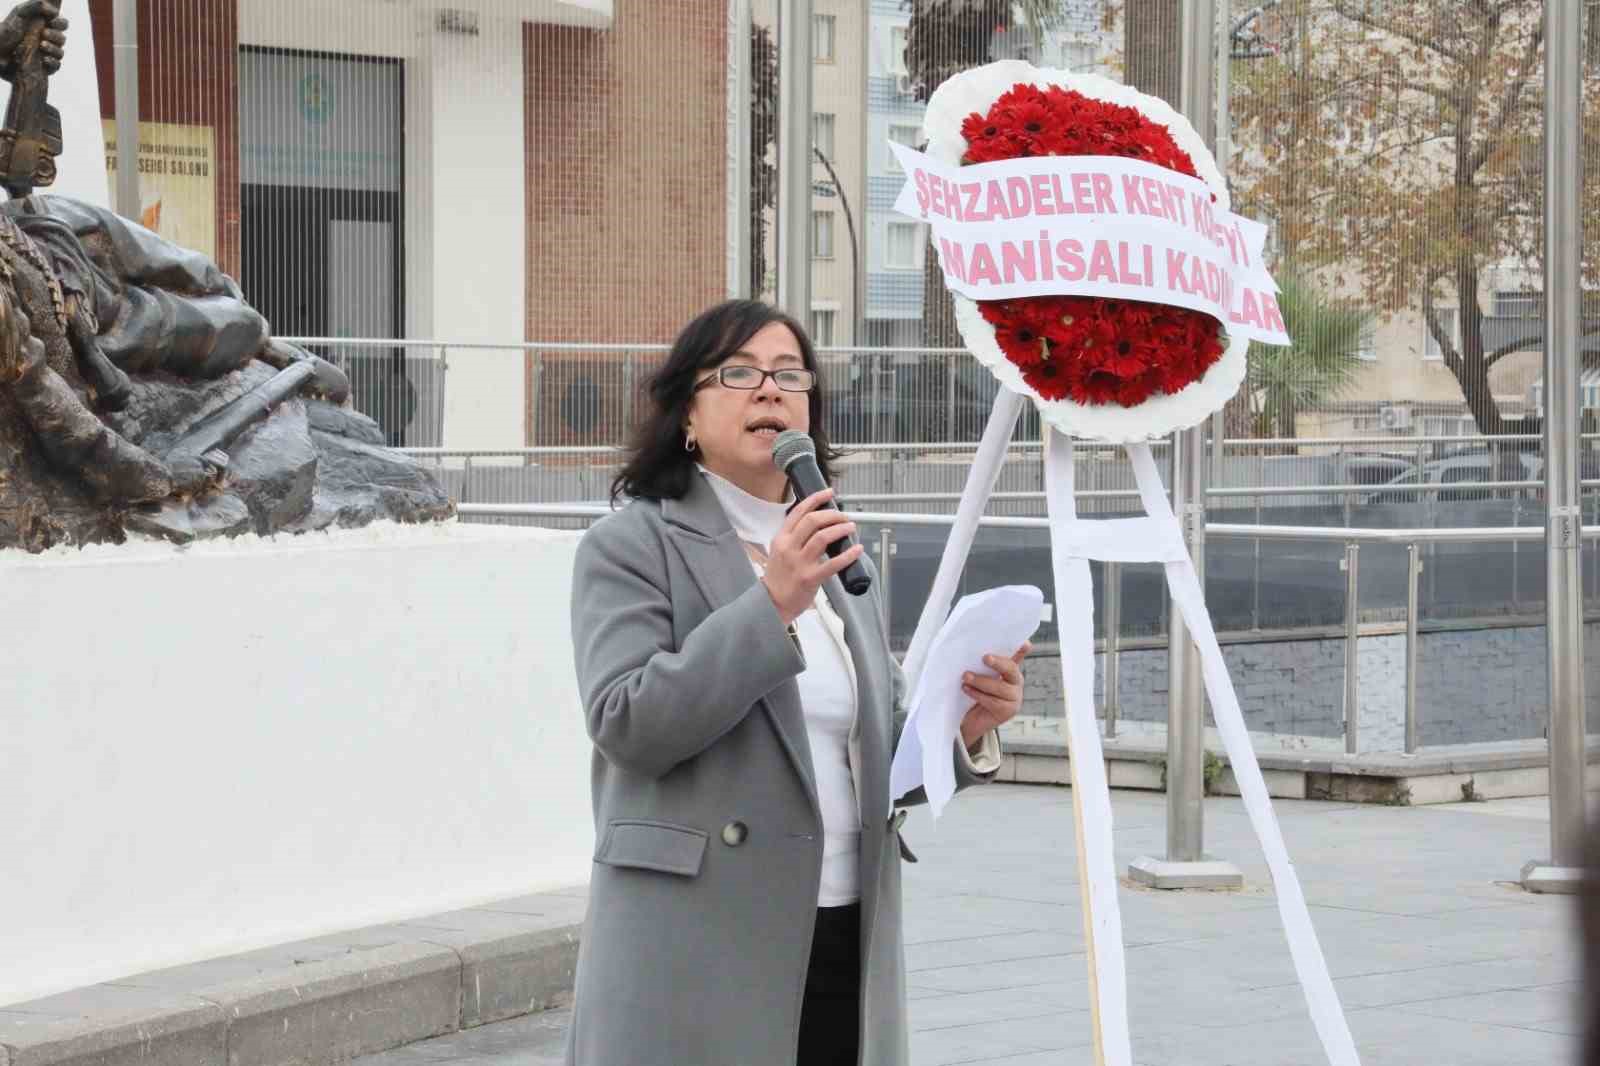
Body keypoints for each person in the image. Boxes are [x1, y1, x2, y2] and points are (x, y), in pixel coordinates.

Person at [566, 299, 1031, 1066]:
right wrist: (770, 605)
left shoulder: (837, 553)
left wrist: (963, 727)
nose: (770, 391)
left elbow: (869, 753)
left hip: (845, 924)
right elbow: (627, 725)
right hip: (700, 937)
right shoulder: (630, 546)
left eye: (789, 374)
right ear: (687, 412)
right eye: (739, 372)